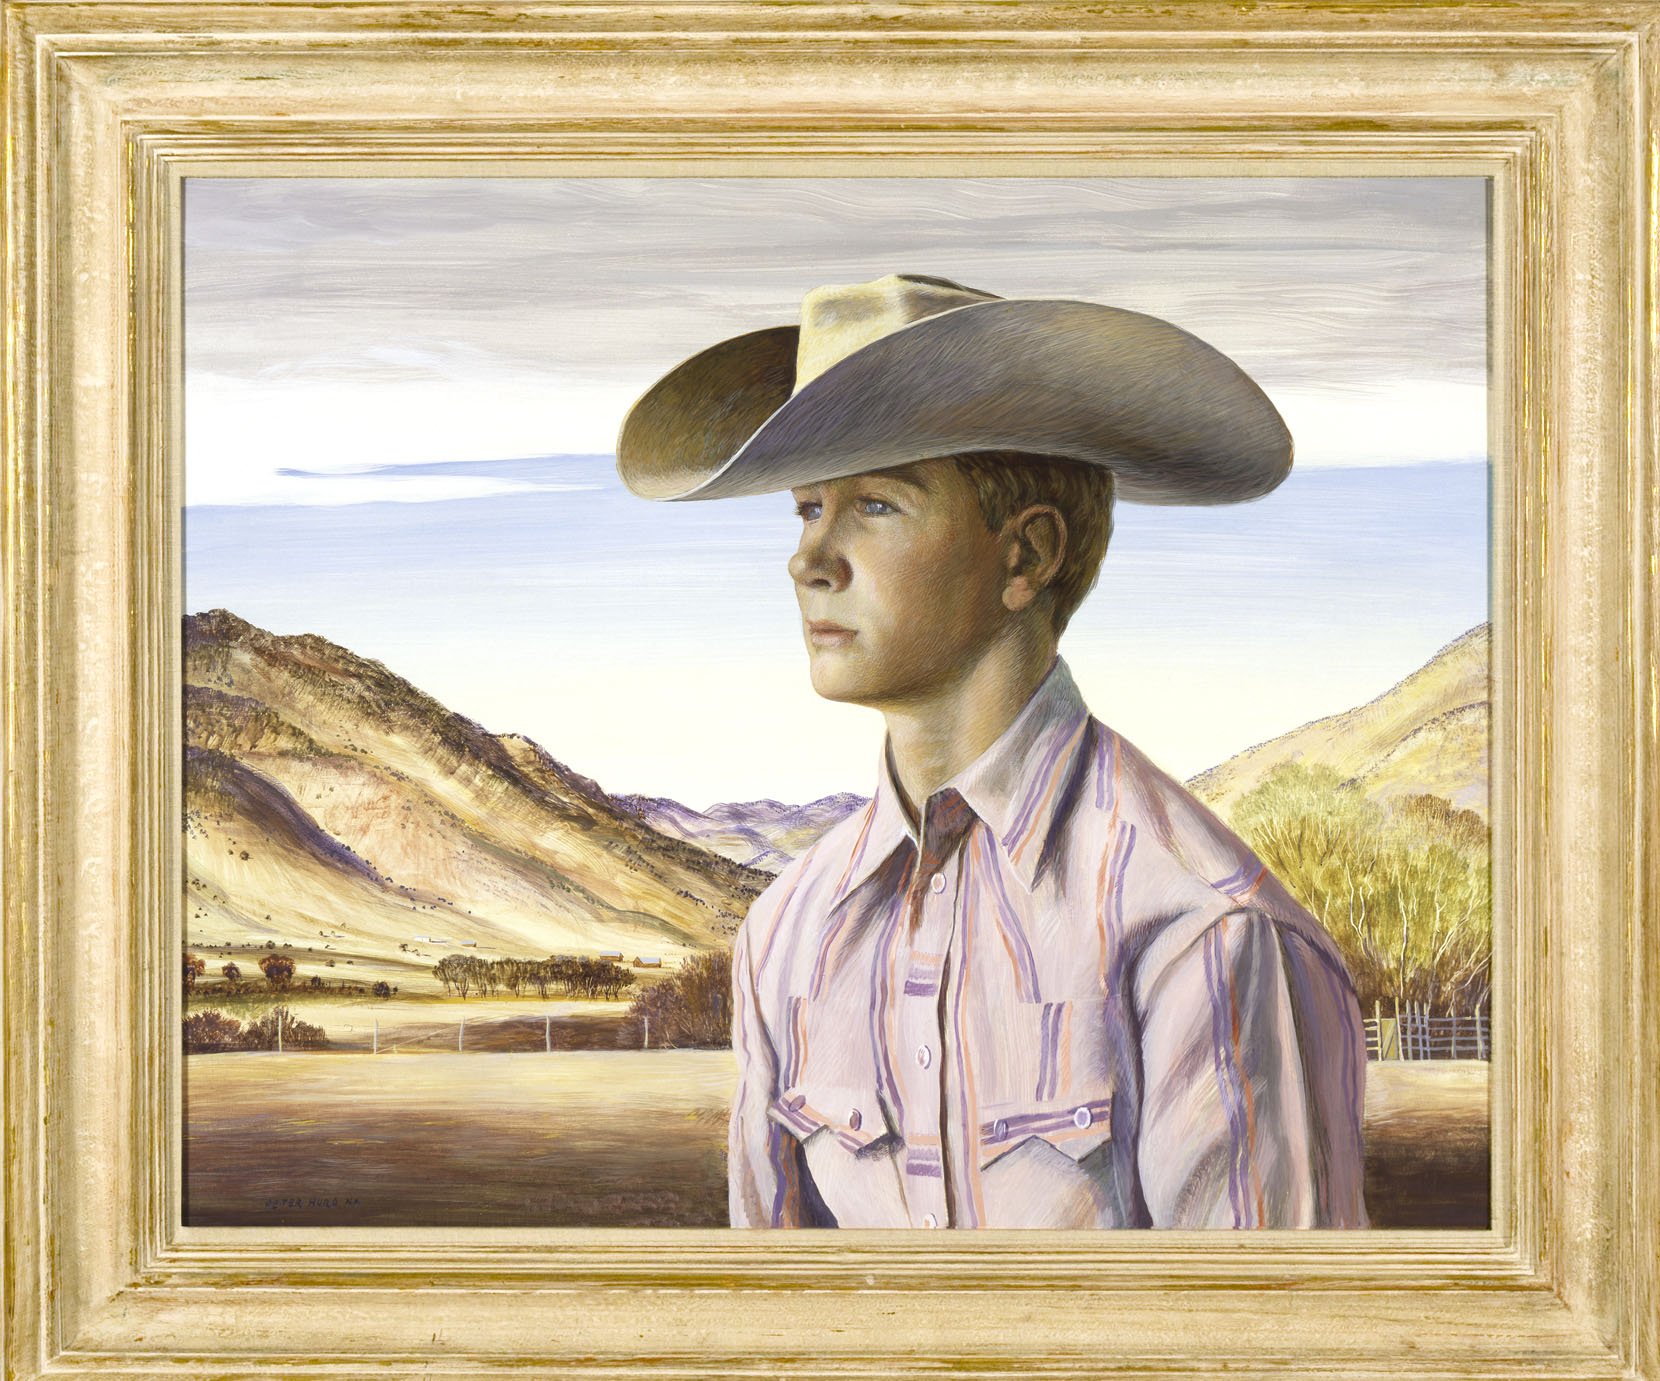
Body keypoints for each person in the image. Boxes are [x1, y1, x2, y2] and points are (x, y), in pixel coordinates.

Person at [617, 273, 1368, 1229]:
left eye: (877, 505)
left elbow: (1275, 1345)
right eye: (807, 507)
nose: (809, 558)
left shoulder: (1202, 929)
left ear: (1025, 556)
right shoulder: (785, 936)